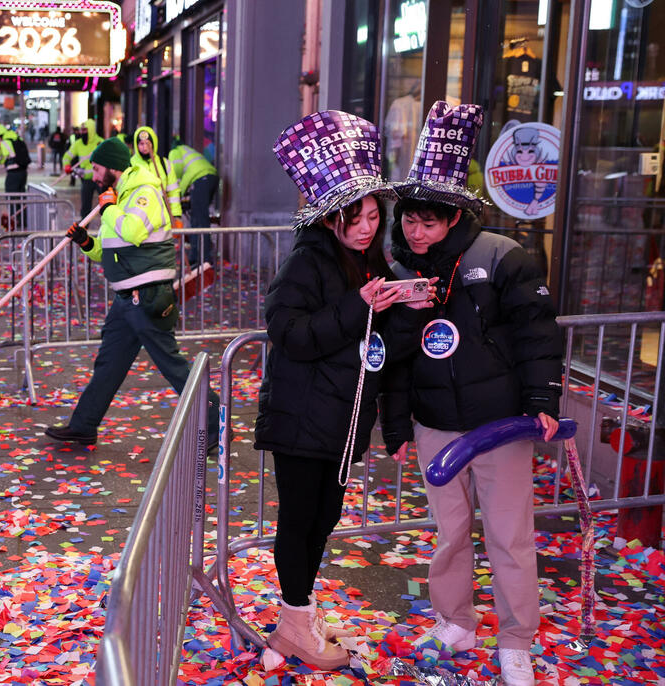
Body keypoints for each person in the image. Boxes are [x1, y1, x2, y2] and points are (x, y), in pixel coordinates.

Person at [379, 101, 562, 686]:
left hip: (500, 422)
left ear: (455, 216)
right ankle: (455, 620)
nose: (416, 229)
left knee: (510, 536)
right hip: (436, 423)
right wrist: (399, 426)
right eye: (409, 219)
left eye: (429, 220)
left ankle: (516, 641)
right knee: (450, 535)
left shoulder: (503, 257)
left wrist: (542, 403)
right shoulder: (401, 273)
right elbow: (396, 358)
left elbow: (538, 334)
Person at [257, 110, 428, 670]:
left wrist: (408, 307)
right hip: (302, 417)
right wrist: (361, 306)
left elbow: (386, 347)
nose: (365, 227)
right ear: (331, 219)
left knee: (324, 518)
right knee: (300, 519)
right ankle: (296, 621)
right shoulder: (307, 262)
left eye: (374, 217)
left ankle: (298, 615)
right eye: (354, 218)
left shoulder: (373, 262)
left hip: (346, 420)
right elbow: (288, 333)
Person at [44, 137, 220, 448]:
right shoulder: (121, 196)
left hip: (147, 296)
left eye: (97, 169)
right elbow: (113, 250)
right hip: (127, 297)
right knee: (109, 364)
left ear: (113, 167)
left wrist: (108, 208)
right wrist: (87, 243)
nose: (94, 176)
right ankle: (83, 425)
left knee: (172, 365)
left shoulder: (143, 192)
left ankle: (216, 423)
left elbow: (133, 232)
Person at [168, 140, 219, 267]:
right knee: (198, 219)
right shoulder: (187, 150)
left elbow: (176, 171)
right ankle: (197, 256)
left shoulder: (175, 152)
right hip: (210, 177)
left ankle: (202, 258)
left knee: (199, 221)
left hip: (200, 179)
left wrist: (177, 193)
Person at [131, 126, 182, 227]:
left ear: (153, 143)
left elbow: (173, 192)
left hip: (161, 214)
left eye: (148, 143)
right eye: (141, 144)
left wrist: (176, 215)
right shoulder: (130, 164)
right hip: (138, 213)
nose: (145, 147)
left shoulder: (165, 164)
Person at [0, 123, 31, 229]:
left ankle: (16, 220)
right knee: (20, 197)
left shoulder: (5, 142)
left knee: (11, 197)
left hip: (13, 173)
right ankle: (23, 220)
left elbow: (1, 158)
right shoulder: (16, 138)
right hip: (23, 172)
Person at [63, 118, 103, 216]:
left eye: (85, 130)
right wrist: (66, 165)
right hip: (86, 181)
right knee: (85, 207)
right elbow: (67, 156)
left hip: (100, 180)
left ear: (91, 130)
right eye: (81, 130)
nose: (82, 132)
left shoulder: (101, 143)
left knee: (105, 204)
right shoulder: (78, 144)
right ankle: (84, 227)